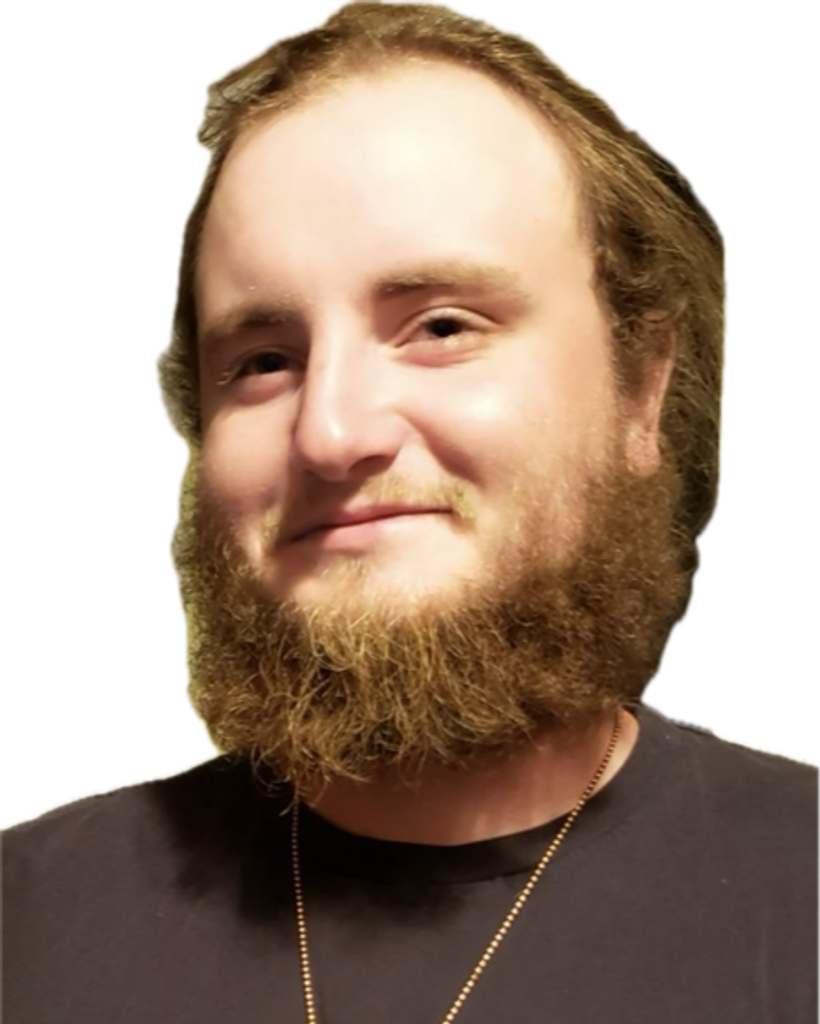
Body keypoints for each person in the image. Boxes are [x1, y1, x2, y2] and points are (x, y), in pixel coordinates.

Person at [1, 3, 816, 1023]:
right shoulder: (20, 925)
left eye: (440, 326)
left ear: (640, 391)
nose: (331, 432)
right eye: (264, 360)